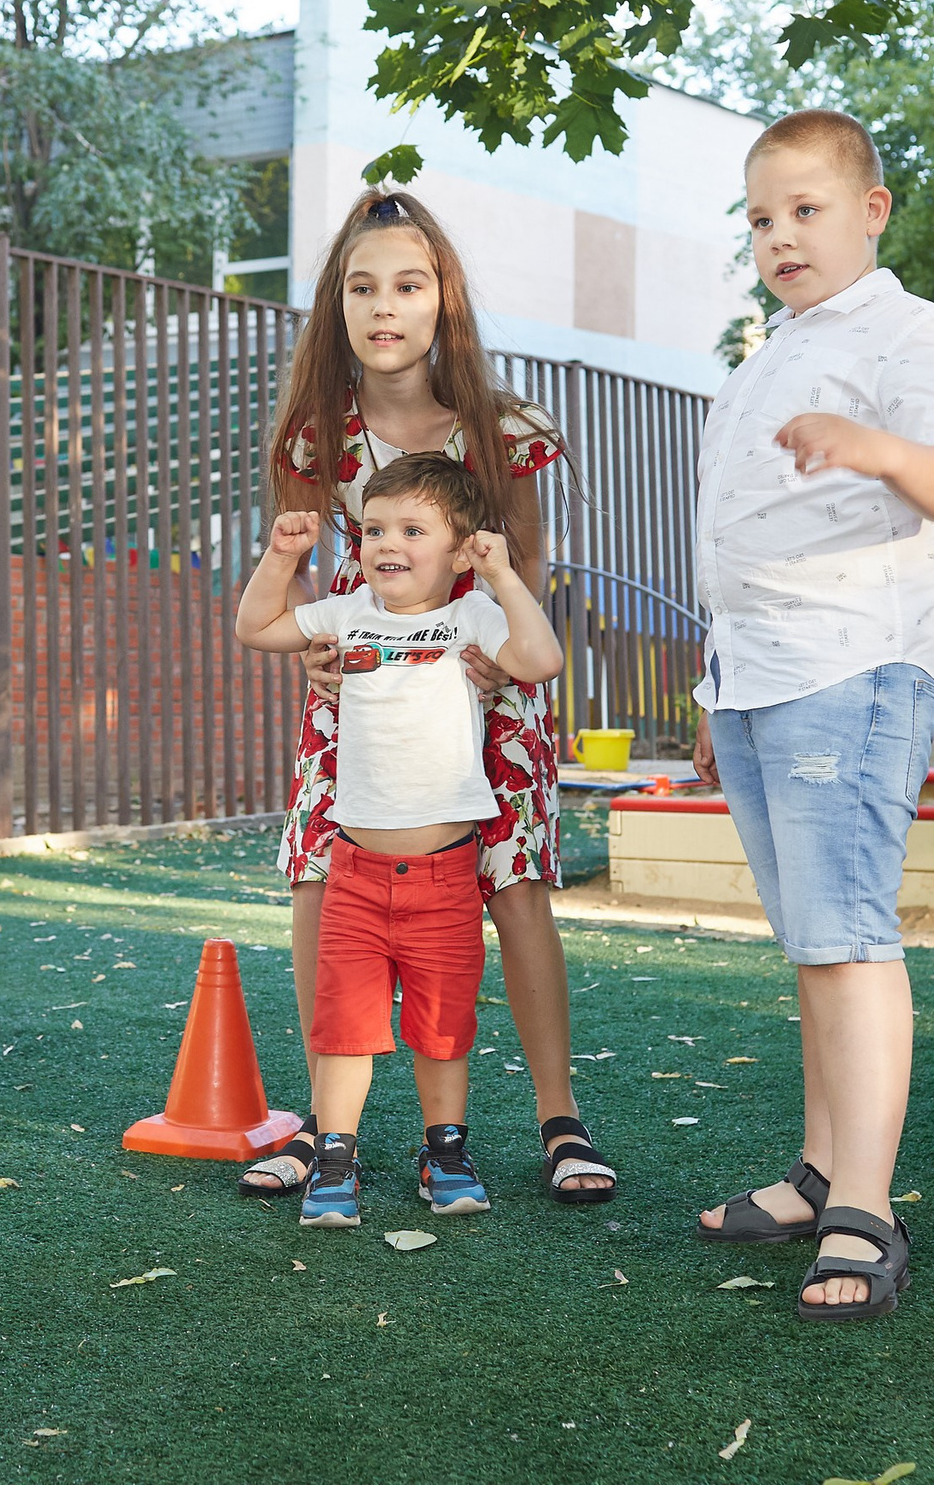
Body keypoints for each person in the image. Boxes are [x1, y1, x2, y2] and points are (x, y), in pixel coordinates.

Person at [241, 188, 619, 1206]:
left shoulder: (504, 431)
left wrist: (502, 655)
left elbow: (526, 568)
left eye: (407, 284)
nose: (384, 306)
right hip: (362, 691)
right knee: (321, 873)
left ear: (442, 300)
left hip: (484, 685)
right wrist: (306, 659)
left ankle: (559, 1122)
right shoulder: (317, 439)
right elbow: (294, 569)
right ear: (338, 306)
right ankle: (330, 1129)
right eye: (362, 287)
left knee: (514, 880)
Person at [688, 109, 934, 1320]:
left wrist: (867, 445)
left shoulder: (910, 333)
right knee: (810, 934)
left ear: (870, 211)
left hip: (851, 663)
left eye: (805, 209)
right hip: (755, 673)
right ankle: (819, 1171)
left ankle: (863, 1207)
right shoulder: (776, 349)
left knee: (848, 933)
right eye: (761, 218)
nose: (779, 235)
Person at [236, 453, 564, 1225]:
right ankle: (336, 1156)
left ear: (457, 550)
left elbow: (541, 658)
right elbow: (256, 626)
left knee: (443, 1021)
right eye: (376, 526)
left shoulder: (474, 615)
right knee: (346, 1022)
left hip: (446, 874)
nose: (388, 541)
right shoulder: (348, 610)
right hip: (354, 868)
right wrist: (282, 556)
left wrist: (504, 575)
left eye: (413, 529)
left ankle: (444, 1149)